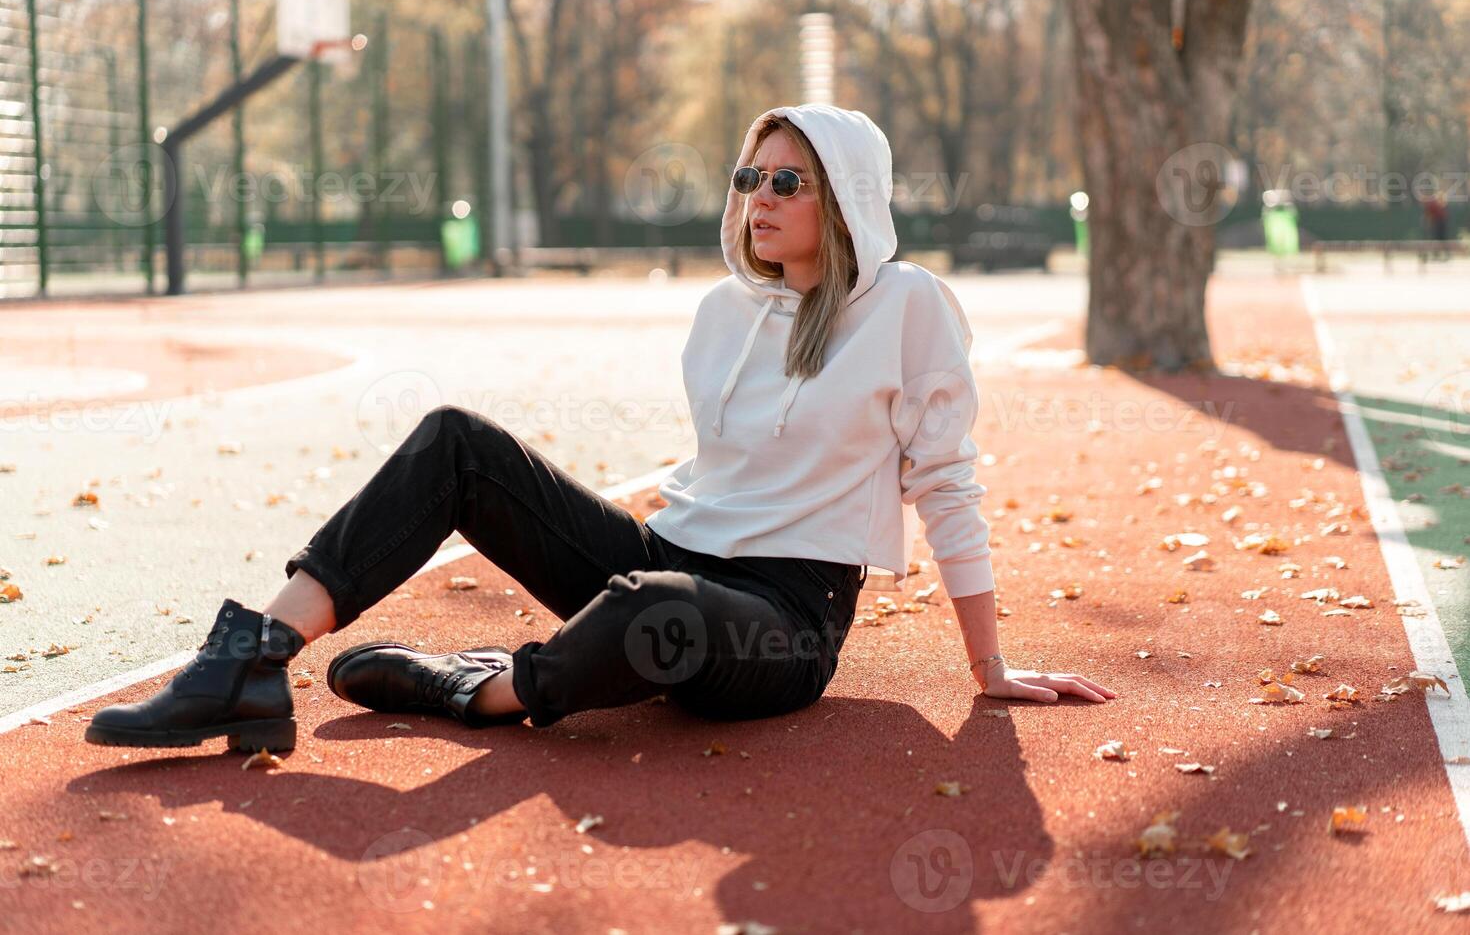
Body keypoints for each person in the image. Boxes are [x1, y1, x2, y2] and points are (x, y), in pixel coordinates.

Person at [85, 104, 1115, 753]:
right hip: (667, 554)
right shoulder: (725, 314)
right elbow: (719, 481)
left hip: (785, 618)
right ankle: (251, 658)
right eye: (749, 177)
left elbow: (947, 481)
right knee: (456, 439)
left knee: (648, 608)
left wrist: (991, 669)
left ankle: (479, 689)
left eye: (787, 181)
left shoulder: (909, 306)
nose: (760, 196)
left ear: (845, 201)